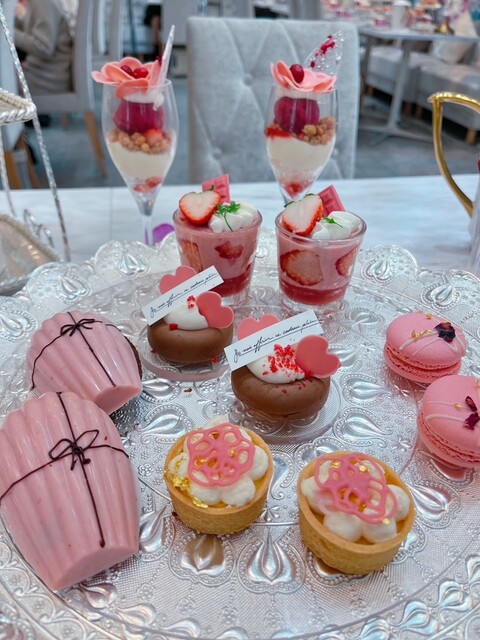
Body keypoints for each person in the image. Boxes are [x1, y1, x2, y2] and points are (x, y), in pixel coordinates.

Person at [14, 0, 77, 96]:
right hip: (45, 73)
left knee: (3, 81)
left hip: (46, 79)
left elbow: (43, 47)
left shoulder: (43, 2)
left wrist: (8, 31)